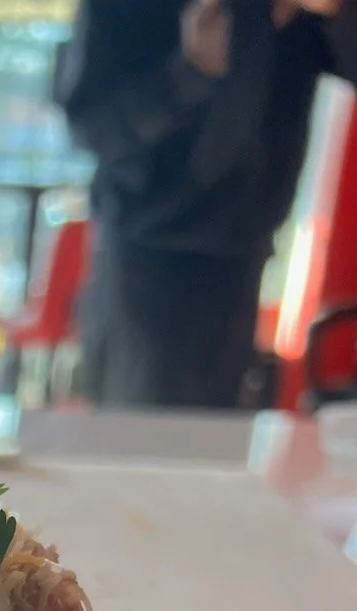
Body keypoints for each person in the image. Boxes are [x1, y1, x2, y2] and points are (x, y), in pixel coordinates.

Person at [57, 0, 357, 409]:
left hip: (245, 255)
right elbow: (91, 127)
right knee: (141, 450)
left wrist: (338, 12)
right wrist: (188, 73)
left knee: (217, 454)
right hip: (147, 260)